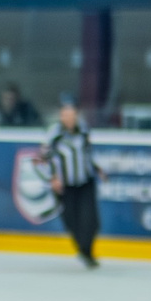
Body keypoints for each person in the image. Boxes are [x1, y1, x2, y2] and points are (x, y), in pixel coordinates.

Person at [37, 98, 105, 267]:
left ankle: (87, 251)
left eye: (71, 113)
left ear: (76, 114)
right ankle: (83, 250)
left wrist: (98, 169)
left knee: (91, 221)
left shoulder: (83, 129)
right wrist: (52, 178)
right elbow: (43, 158)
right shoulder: (54, 134)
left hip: (85, 182)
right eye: (64, 114)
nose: (68, 117)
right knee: (72, 221)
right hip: (65, 186)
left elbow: (87, 154)